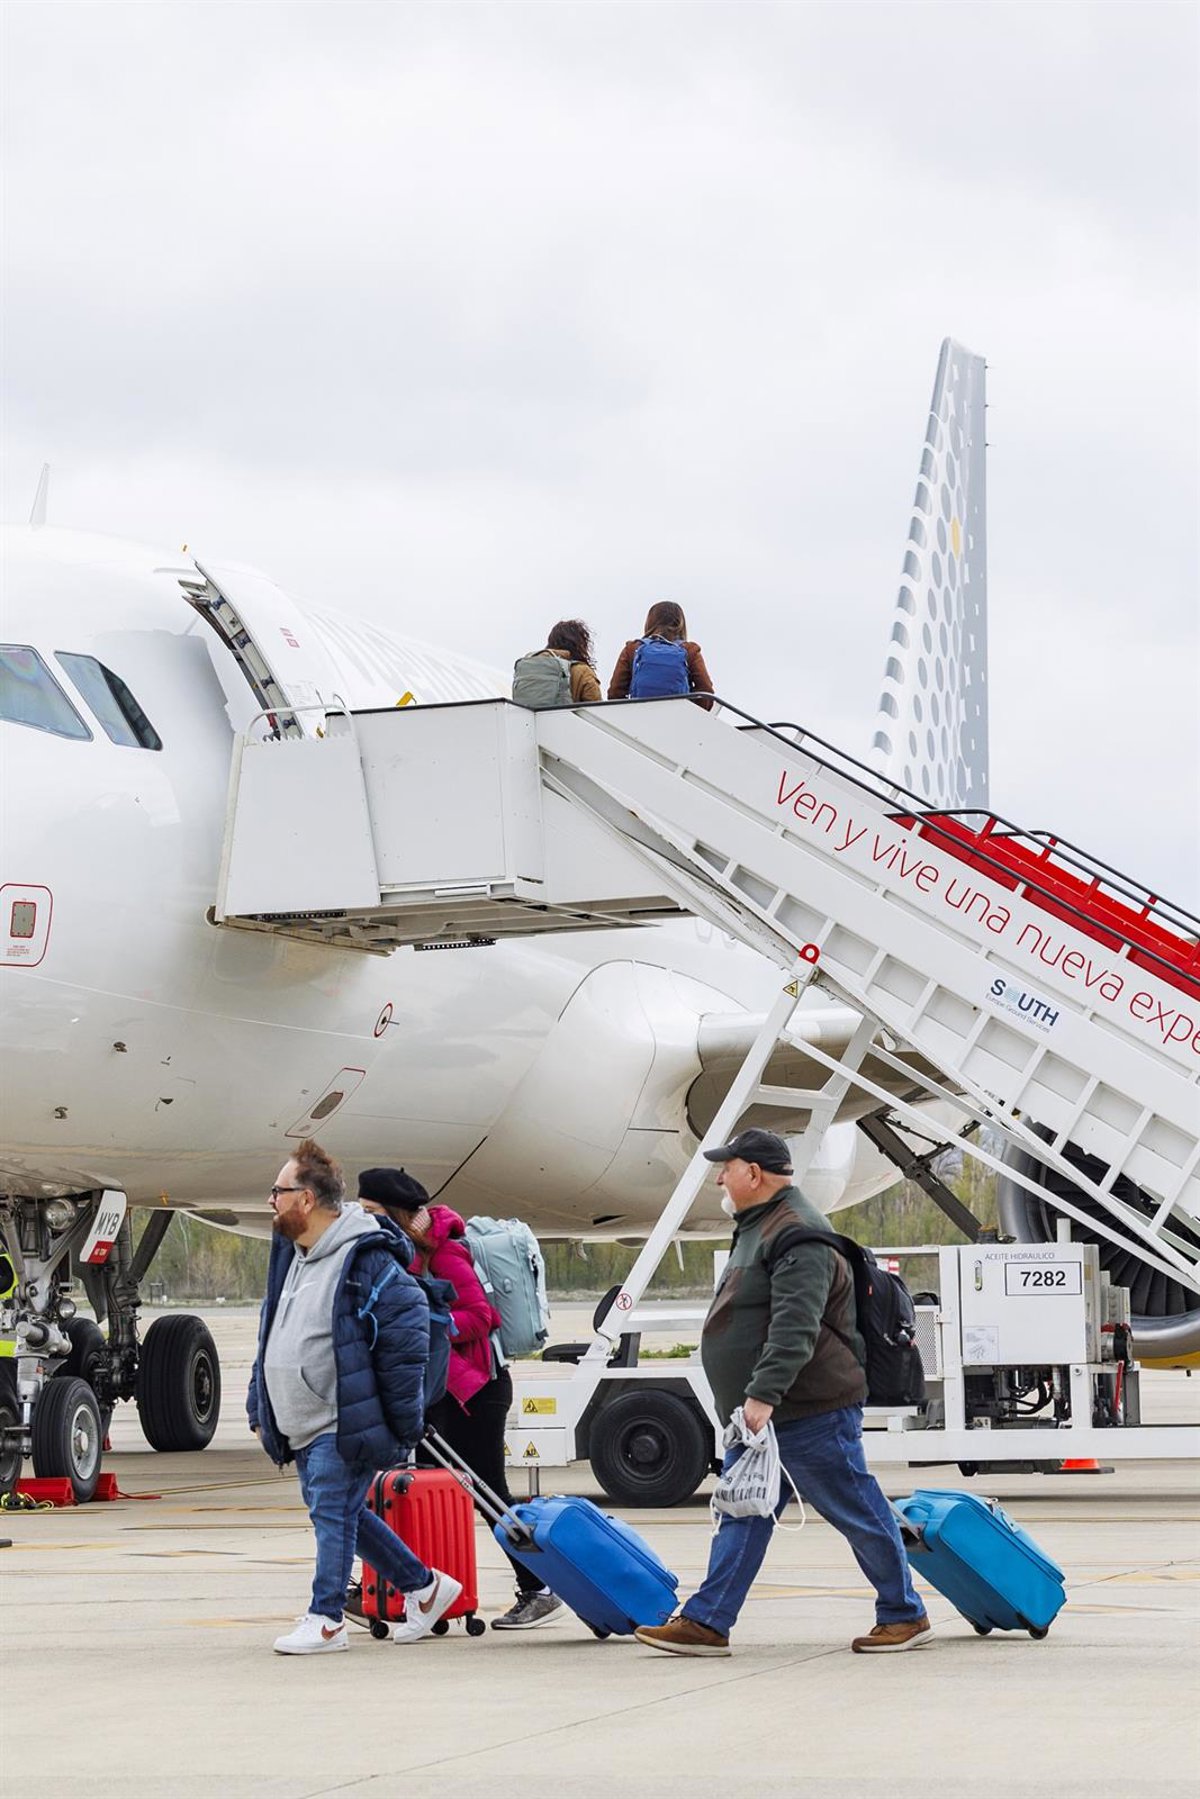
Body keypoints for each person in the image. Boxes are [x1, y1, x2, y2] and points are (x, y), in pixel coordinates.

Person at [635, 1128, 931, 1658]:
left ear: (755, 1173)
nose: (719, 1176)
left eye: (727, 1167)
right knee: (744, 1511)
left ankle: (903, 1613)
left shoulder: (798, 1234)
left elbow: (797, 1327)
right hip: (767, 1414)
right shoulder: (760, 1226)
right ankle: (708, 1622)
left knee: (856, 1509)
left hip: (804, 1410)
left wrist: (762, 1397)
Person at [248, 1138, 463, 1654]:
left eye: (277, 1191)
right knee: (345, 1513)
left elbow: (408, 1332)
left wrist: (400, 1421)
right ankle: (426, 1587)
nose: (270, 1201)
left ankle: (326, 1620)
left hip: (341, 1419)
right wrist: (261, 1400)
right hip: (299, 1420)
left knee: (331, 1513)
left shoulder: (365, 1255)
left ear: (304, 1198)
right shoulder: (292, 1253)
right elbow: (271, 1327)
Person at [357, 1167, 565, 1631]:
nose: (365, 1219)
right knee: (422, 1491)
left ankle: (538, 1587)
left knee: (487, 1491)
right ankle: (418, 1588)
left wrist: (430, 1325)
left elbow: (481, 1315)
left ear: (395, 1214)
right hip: (436, 1393)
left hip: (476, 1392)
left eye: (372, 1211)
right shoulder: (404, 1253)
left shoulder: (446, 1253)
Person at [606, 602, 714, 710]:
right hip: (679, 717)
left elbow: (615, 692)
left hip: (640, 716)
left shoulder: (632, 649)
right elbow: (706, 689)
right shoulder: (690, 650)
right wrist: (694, 714)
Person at [511, 620, 602, 707]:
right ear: (580, 644)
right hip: (567, 722)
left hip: (530, 722)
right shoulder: (582, 671)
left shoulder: (532, 669)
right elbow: (597, 709)